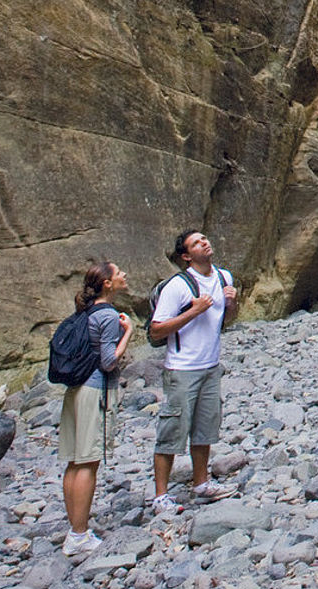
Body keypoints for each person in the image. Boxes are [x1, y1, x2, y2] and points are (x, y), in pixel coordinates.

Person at [148, 229, 239, 514]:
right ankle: (160, 496)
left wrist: (233, 301)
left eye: (205, 239)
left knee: (205, 428)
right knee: (171, 430)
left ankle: (201, 482)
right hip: (182, 368)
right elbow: (156, 329)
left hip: (210, 365)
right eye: (196, 243)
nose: (205, 242)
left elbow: (228, 319)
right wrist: (194, 311)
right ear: (187, 256)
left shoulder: (224, 277)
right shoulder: (177, 286)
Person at [62, 261, 132, 556]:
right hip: (95, 390)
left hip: (75, 390)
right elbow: (108, 361)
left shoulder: (86, 312)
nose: (124, 276)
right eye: (118, 274)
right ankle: (79, 535)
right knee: (88, 461)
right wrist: (127, 332)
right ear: (107, 283)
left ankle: (75, 528)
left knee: (74, 462)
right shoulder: (107, 316)